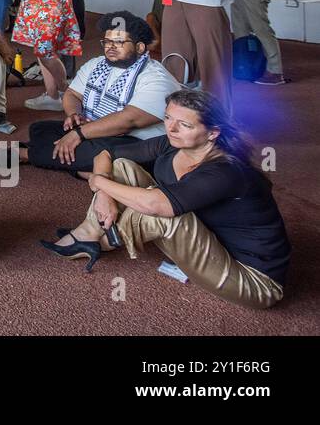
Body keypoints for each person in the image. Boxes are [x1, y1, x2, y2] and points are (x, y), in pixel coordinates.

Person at [40, 89, 289, 308]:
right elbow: (107, 153)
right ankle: (89, 234)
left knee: (164, 216)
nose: (171, 128)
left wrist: (98, 181)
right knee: (123, 166)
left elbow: (155, 205)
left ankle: (96, 238)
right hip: (214, 240)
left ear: (213, 133)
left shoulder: (225, 170)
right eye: (168, 118)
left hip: (253, 280)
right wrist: (103, 191)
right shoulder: (173, 143)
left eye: (185, 125)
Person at [21, 11, 181, 174]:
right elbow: (73, 94)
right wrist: (74, 115)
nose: (110, 47)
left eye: (118, 42)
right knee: (39, 129)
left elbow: (128, 121)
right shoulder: (96, 64)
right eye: (107, 41)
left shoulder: (157, 78)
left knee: (96, 150)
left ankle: (27, 154)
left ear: (139, 47)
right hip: (95, 129)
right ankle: (86, 170)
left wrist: (79, 134)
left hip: (137, 142)